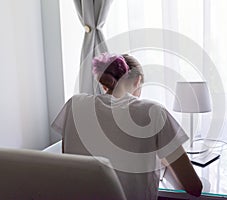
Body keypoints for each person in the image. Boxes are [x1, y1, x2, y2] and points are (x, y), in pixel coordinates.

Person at [51, 53, 203, 200]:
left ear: (105, 85)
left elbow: (72, 160)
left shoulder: (74, 105)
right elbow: (194, 187)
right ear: (138, 80)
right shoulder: (153, 111)